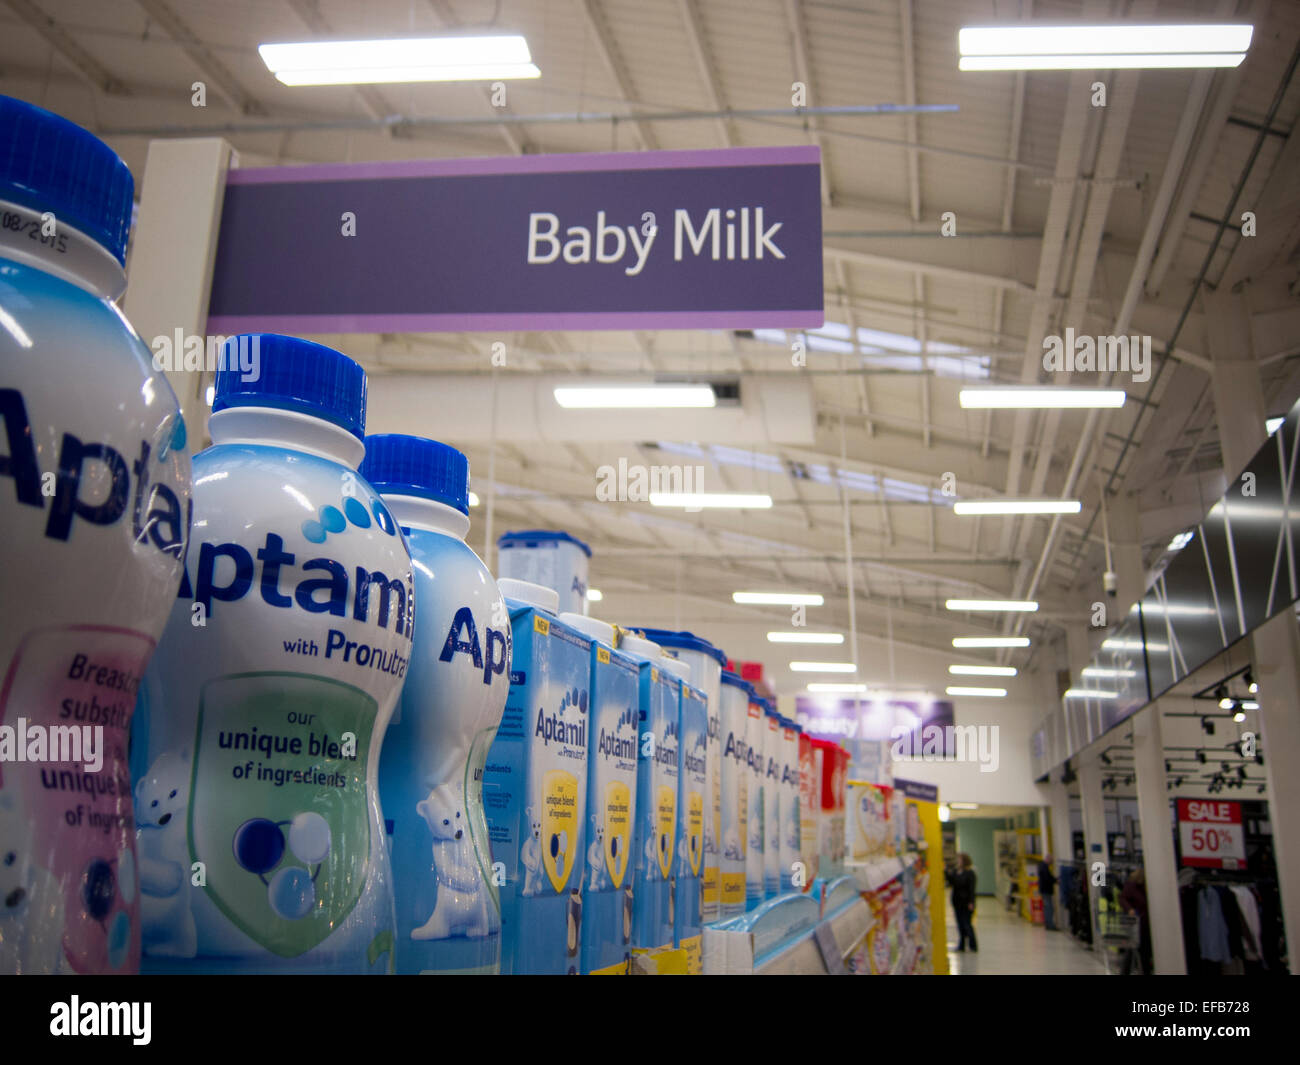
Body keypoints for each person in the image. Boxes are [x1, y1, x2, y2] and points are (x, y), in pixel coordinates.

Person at [1119, 867, 1152, 974]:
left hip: (1145, 924)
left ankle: (1144, 970)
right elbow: (1122, 898)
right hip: (1135, 924)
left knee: (1143, 950)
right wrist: (1130, 909)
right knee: (1133, 949)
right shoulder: (1132, 886)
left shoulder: (1147, 888)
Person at [950, 853, 977, 952]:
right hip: (957, 902)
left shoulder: (970, 873)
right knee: (960, 924)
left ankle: (973, 945)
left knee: (967, 924)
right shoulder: (956, 871)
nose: (958, 861)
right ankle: (961, 945)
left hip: (966, 903)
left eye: (959, 859)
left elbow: (971, 889)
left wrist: (971, 902)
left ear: (964, 861)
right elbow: (952, 881)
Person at [1038, 854, 1058, 930]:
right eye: (1051, 861)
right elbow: (1047, 878)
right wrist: (1055, 880)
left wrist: (1055, 880)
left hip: (1044, 890)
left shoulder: (1042, 866)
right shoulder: (1044, 867)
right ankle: (1050, 925)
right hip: (1046, 890)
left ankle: (1048, 924)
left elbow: (1048, 877)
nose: (1051, 863)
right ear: (1048, 859)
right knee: (1049, 908)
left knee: (1047, 907)